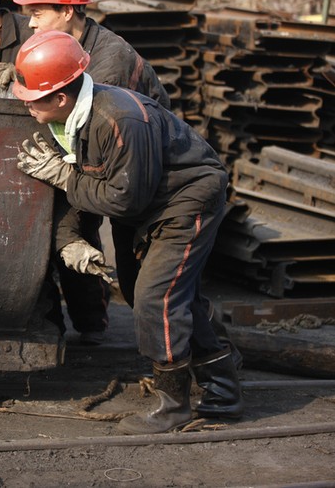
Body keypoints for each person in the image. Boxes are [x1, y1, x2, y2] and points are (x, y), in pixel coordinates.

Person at [13, 30, 244, 434]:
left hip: (188, 198)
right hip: (159, 201)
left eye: (32, 99)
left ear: (61, 98)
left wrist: (65, 178)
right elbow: (90, 185)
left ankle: (173, 406)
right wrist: (69, 235)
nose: (26, 106)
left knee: (157, 295)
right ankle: (222, 389)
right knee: (159, 292)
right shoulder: (72, 119)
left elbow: (123, 202)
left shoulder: (118, 119)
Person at [10, 0, 175, 344]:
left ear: (68, 11)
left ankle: (201, 357)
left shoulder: (106, 70)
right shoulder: (66, 50)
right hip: (116, 172)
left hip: (149, 182)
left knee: (150, 286)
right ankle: (102, 332)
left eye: (38, 13)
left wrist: (67, 199)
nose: (30, 23)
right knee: (136, 281)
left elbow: (95, 162)